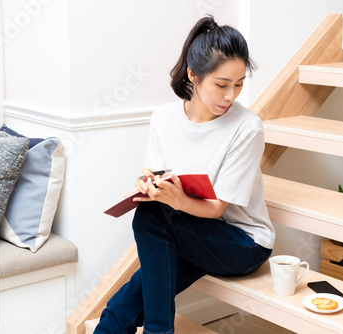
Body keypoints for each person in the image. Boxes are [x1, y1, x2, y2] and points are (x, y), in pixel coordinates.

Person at [94, 14, 275, 334]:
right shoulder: (164, 119)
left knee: (152, 217)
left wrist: (172, 201)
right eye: (222, 84)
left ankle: (159, 331)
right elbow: (165, 182)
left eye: (238, 84)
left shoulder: (247, 127)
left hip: (242, 243)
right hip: (185, 233)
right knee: (119, 312)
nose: (231, 95)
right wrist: (150, 187)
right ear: (193, 74)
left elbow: (218, 208)